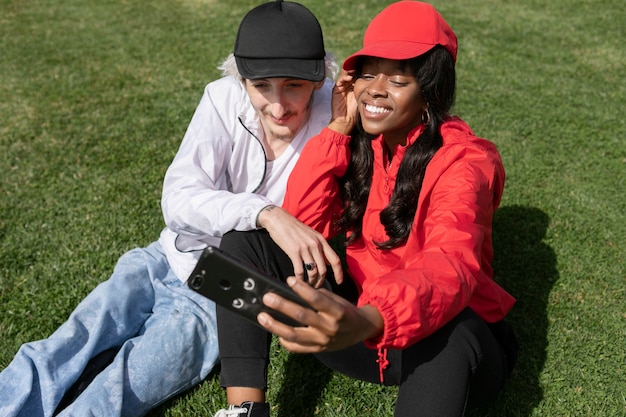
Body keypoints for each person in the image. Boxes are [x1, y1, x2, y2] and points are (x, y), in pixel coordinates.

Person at [0, 1, 337, 416]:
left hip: (222, 298)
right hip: (163, 259)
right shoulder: (221, 98)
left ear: (319, 79)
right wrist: (266, 212)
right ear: (241, 78)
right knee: (63, 345)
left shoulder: (335, 127)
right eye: (261, 85)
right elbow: (178, 197)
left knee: (115, 392)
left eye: (294, 86)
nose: (278, 104)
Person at [213, 1, 519, 416]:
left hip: (439, 349)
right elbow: (303, 225)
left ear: (430, 90)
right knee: (243, 244)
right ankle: (245, 409)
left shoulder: (465, 162)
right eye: (369, 74)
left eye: (397, 79)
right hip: (361, 331)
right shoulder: (364, 144)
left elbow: (451, 266)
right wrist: (338, 128)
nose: (376, 89)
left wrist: (372, 318)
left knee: (453, 331)